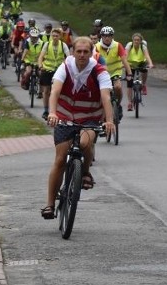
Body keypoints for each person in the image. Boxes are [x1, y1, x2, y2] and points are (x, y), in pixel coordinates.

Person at [41, 37, 115, 219]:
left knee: (85, 142)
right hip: (64, 116)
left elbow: (106, 97)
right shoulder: (65, 67)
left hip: (90, 117)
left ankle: (85, 172)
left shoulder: (99, 71)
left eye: (86, 52)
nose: (82, 55)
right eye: (78, 51)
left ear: (91, 53)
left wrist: (110, 120)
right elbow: (55, 91)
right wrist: (52, 112)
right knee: (59, 160)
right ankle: (50, 204)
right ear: (73, 52)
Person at [95, 26, 132, 114]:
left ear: (112, 37)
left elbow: (124, 60)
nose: (107, 38)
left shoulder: (117, 45)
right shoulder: (96, 46)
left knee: (118, 87)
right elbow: (93, 61)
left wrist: (129, 74)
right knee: (99, 92)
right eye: (104, 36)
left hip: (115, 72)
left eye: (109, 36)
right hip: (102, 73)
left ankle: (118, 105)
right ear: (101, 37)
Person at [37, 27, 70, 119]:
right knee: (46, 91)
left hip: (59, 70)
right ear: (51, 36)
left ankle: (59, 109)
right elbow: (41, 57)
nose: (55, 37)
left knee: (59, 91)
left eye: (57, 36)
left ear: (60, 36)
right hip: (47, 69)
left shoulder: (63, 45)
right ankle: (46, 110)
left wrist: (67, 67)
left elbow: (69, 57)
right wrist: (40, 66)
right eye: (53, 35)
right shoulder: (47, 45)